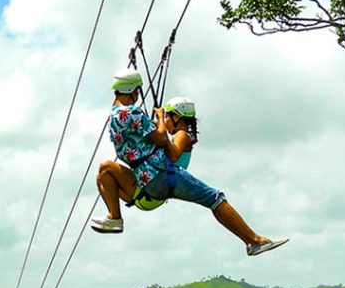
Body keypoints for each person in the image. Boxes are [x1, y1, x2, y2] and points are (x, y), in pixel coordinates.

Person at [92, 68, 288, 257]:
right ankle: (253, 241)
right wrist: (159, 125)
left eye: (168, 116)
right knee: (214, 198)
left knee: (215, 197)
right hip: (157, 177)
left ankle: (254, 240)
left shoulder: (176, 133)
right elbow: (162, 142)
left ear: (177, 117)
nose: (165, 119)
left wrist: (159, 124)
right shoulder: (135, 115)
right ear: (134, 90)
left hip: (159, 176)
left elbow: (169, 149)